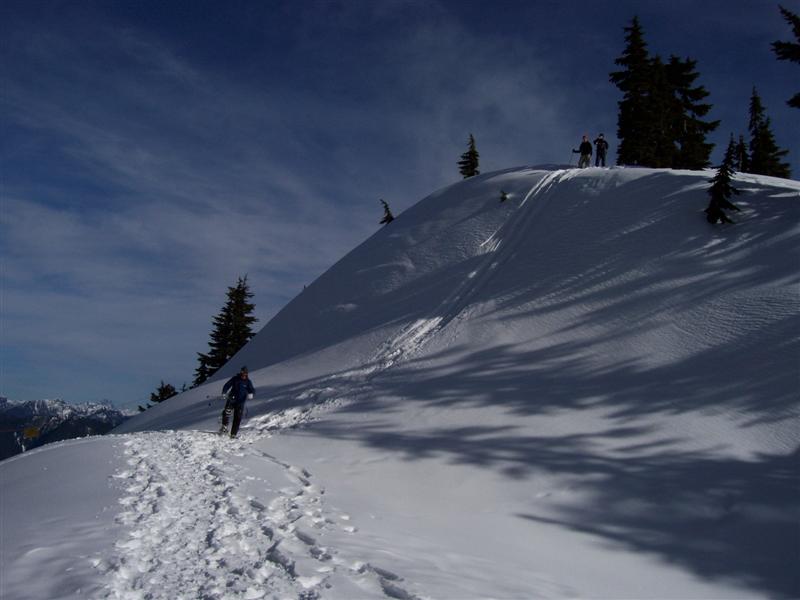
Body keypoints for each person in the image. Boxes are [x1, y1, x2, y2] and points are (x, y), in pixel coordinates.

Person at [219, 366, 255, 438]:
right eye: (242, 373)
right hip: (231, 399)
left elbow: (251, 389)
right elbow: (227, 385)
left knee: (238, 417)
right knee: (227, 411)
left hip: (240, 402)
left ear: (247, 374)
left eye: (245, 373)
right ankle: (224, 427)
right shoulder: (235, 379)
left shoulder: (248, 382)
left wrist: (251, 393)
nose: (243, 375)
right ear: (240, 372)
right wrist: (224, 392)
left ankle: (233, 434)